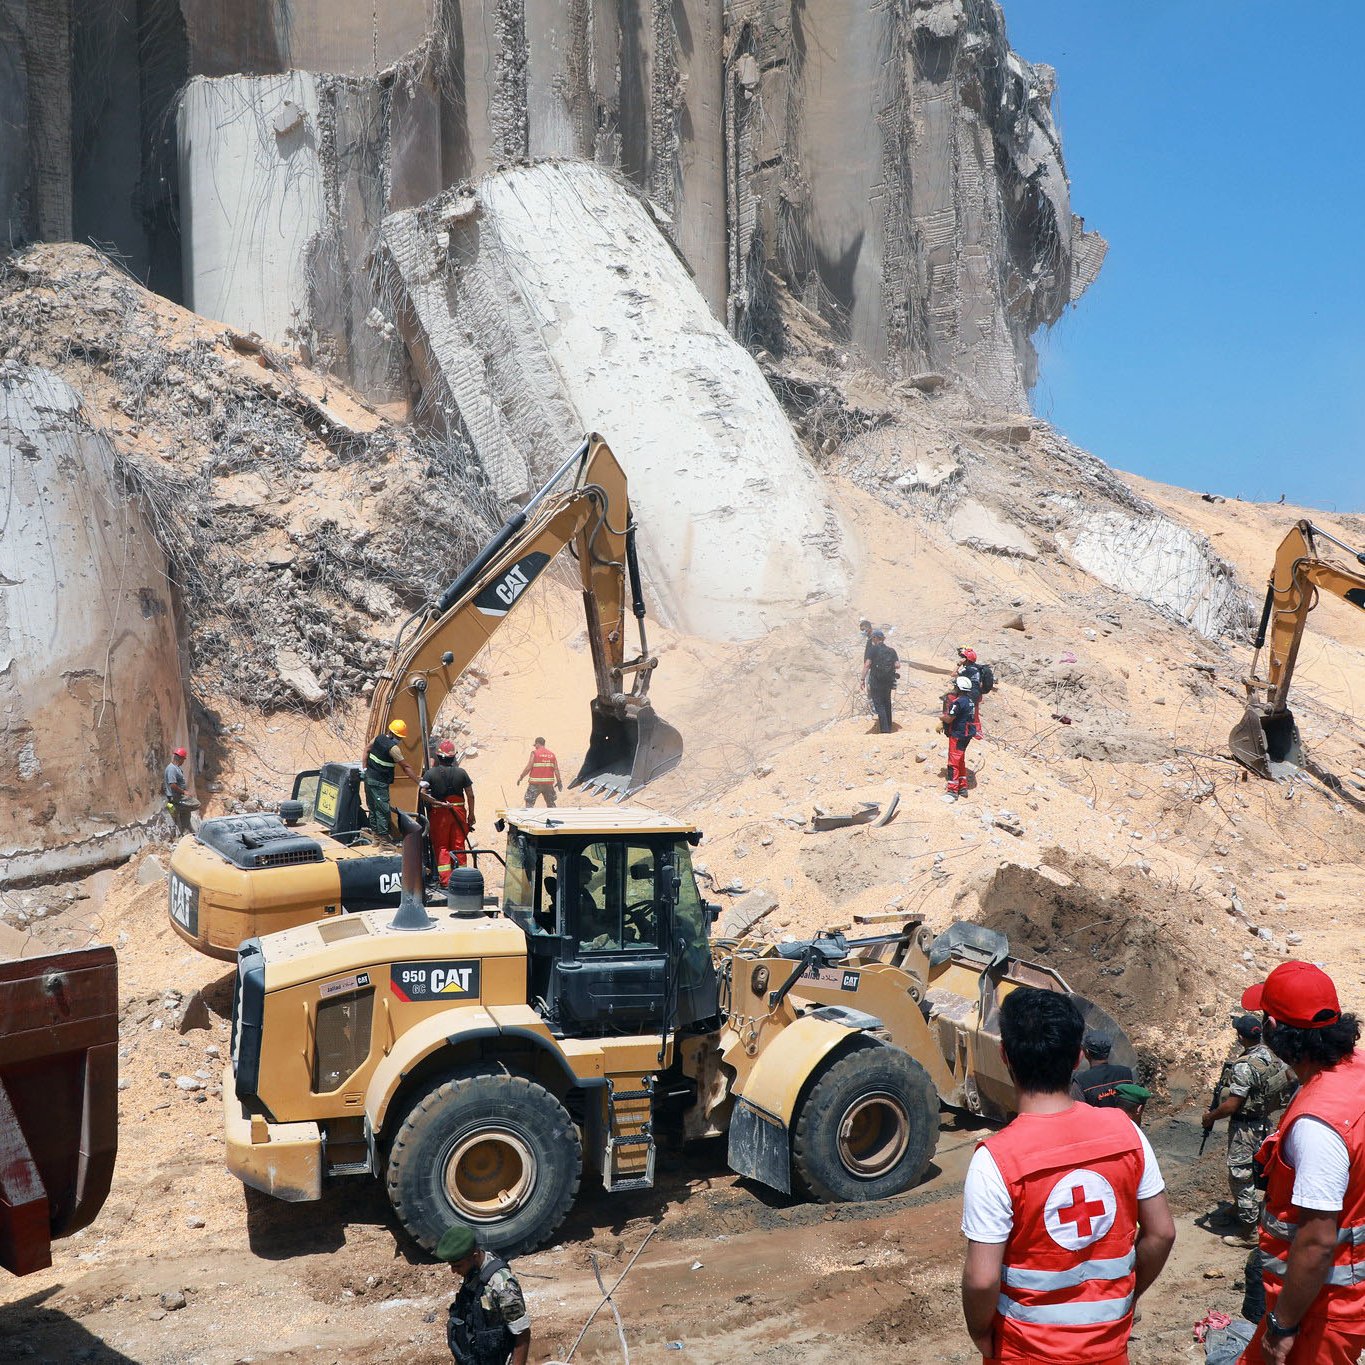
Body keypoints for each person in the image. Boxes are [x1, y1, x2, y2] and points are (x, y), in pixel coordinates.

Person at [961, 987, 1176, 1364]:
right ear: (1078, 1058)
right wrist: (1124, 1298)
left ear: (1004, 1055)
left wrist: (981, 1333)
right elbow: (1162, 1232)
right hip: (1109, 1348)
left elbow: (982, 1280)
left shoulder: (996, 1159)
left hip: (1026, 1352)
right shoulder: (1128, 1133)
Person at [1236, 961, 1365, 1365]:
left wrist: (1282, 1327)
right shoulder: (1356, 1071)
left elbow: (1317, 1241)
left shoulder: (1317, 1125)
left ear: (1273, 1027)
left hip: (1319, 1311)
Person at [1202, 1015, 1296, 1249]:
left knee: (1240, 1174)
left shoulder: (1244, 1065)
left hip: (1245, 1128)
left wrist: (1210, 1117)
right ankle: (1243, 1209)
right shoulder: (1269, 1056)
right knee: (1256, 1171)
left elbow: (1233, 1104)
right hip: (1263, 1123)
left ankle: (1249, 1232)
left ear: (1241, 1036)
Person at [435, 1223, 531, 1365]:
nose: (453, 1271)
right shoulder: (473, 1271)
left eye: (457, 1266)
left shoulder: (502, 1285)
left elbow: (522, 1334)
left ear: (474, 1256)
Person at [421, 739, 475, 886]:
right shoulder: (462, 773)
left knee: (442, 846)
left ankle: (445, 881)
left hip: (439, 814)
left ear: (438, 757)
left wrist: (437, 803)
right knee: (459, 845)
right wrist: (471, 814)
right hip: (459, 812)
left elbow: (422, 793)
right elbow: (470, 794)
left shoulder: (430, 774)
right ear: (453, 757)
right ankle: (462, 880)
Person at [363, 718, 418, 839]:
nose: (400, 739)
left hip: (369, 779)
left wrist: (365, 768)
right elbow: (406, 767)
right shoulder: (393, 749)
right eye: (399, 737)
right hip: (379, 783)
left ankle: (376, 838)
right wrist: (419, 782)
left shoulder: (378, 738)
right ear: (393, 733)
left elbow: (367, 749)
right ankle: (384, 842)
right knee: (383, 811)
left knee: (373, 808)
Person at [1071, 1031, 1136, 1107]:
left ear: (1087, 1052)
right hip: (1122, 1119)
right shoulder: (1126, 1073)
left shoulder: (1081, 1082)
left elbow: (1077, 1112)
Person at [944, 676, 977, 797]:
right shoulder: (971, 701)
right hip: (966, 735)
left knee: (953, 762)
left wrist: (941, 718)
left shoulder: (958, 702)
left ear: (959, 688)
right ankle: (962, 787)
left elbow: (949, 718)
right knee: (960, 760)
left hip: (958, 734)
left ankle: (952, 790)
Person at [862, 628, 899, 733]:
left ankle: (885, 730)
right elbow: (897, 665)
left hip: (876, 681)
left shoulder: (872, 650)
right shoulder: (892, 651)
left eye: (872, 638)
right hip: (888, 682)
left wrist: (862, 679)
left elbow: (867, 664)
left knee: (879, 704)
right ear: (883, 639)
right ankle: (889, 726)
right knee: (887, 702)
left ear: (875, 638)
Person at [518, 737, 562, 807]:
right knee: (551, 804)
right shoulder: (552, 755)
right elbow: (556, 770)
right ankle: (553, 817)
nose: (535, 747)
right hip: (548, 785)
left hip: (535, 784)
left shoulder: (535, 753)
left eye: (535, 745)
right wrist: (559, 781)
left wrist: (521, 777)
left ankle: (529, 817)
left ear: (538, 743)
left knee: (529, 803)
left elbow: (528, 767)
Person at [164, 746, 194, 835]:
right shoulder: (172, 769)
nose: (183, 762)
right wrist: (184, 792)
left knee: (186, 813)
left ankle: (186, 830)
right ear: (180, 759)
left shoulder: (176, 768)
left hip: (177, 796)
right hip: (176, 797)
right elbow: (172, 784)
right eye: (183, 760)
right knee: (193, 804)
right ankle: (186, 832)